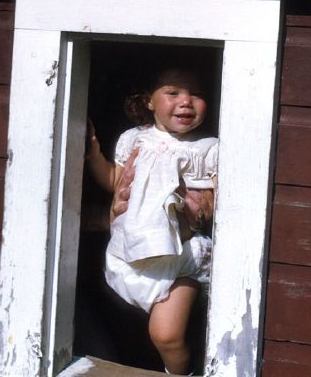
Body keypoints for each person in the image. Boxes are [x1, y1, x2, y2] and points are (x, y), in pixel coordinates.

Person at [85, 66, 217, 375]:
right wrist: (93, 154)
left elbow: (215, 201)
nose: (186, 102)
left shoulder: (208, 149)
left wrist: (203, 206)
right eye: (173, 93)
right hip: (129, 251)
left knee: (166, 335)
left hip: (179, 257)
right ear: (148, 101)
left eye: (195, 94)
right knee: (123, 322)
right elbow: (115, 182)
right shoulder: (134, 139)